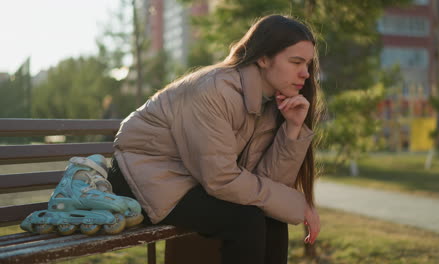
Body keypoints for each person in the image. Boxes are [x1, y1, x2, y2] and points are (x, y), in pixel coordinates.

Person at [108, 14, 322, 264]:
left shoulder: (271, 103)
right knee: (245, 220)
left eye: (307, 64)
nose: (306, 74)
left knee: (271, 215)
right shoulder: (213, 90)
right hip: (143, 178)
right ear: (263, 58)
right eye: (296, 62)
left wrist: (293, 129)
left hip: (190, 179)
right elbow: (220, 179)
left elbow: (267, 183)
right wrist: (297, 203)